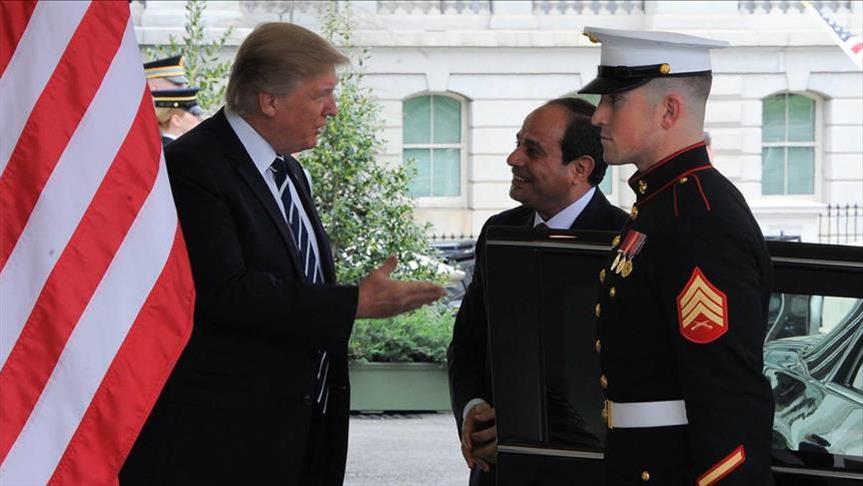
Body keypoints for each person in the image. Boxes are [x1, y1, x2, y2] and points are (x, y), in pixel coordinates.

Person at [120, 23, 445, 485]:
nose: (333, 109)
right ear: (269, 101)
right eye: (322, 95)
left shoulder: (287, 168)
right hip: (222, 442)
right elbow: (226, 291)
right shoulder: (193, 166)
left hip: (298, 426)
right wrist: (354, 302)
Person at [579, 27, 775, 485]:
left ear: (669, 110)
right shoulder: (663, 204)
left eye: (614, 100)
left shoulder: (701, 217)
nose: (598, 116)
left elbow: (728, 394)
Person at [447, 97, 628, 486]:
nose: (513, 159)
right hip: (500, 474)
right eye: (518, 143)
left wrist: (529, 429)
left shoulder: (626, 243)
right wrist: (472, 410)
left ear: (580, 169)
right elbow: (468, 342)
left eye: (533, 150)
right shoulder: (498, 231)